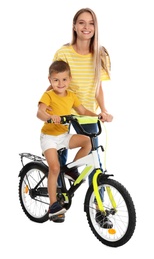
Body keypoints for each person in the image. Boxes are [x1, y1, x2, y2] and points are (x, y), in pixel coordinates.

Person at [46, 8, 113, 227]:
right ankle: (57, 205)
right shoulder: (63, 53)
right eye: (82, 23)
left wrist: (103, 110)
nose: (86, 27)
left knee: (95, 163)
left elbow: (98, 88)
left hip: (87, 116)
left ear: (95, 27)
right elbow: (55, 84)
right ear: (74, 26)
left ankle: (99, 210)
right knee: (60, 161)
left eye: (91, 23)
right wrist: (47, 108)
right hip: (65, 114)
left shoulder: (99, 54)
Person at [37, 60, 104, 221]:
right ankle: (53, 205)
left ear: (70, 79)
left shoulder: (71, 96)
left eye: (64, 80)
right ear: (50, 80)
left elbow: (83, 110)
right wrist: (49, 117)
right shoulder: (48, 95)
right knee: (54, 168)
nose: (60, 84)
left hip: (63, 136)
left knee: (87, 141)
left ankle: (70, 170)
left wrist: (99, 115)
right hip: (49, 138)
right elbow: (39, 112)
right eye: (56, 80)